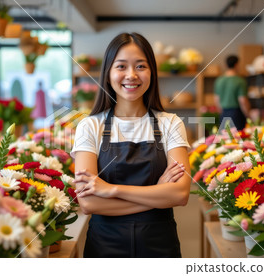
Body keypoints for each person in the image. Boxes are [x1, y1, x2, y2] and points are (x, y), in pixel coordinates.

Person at [70, 32, 191, 258]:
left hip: (160, 245)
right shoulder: (89, 126)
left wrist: (111, 190)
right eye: (121, 66)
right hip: (105, 247)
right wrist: (157, 195)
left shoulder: (170, 123)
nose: (131, 75)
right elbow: (88, 202)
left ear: (152, 73)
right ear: (108, 73)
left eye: (141, 66)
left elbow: (181, 194)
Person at [214, 55, 251, 130]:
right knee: (238, 139)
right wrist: (248, 114)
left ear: (225, 65)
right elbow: (242, 100)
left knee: (224, 139)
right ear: (236, 65)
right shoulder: (240, 81)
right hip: (236, 114)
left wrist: (223, 112)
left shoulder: (219, 80)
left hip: (224, 113)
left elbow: (216, 100)